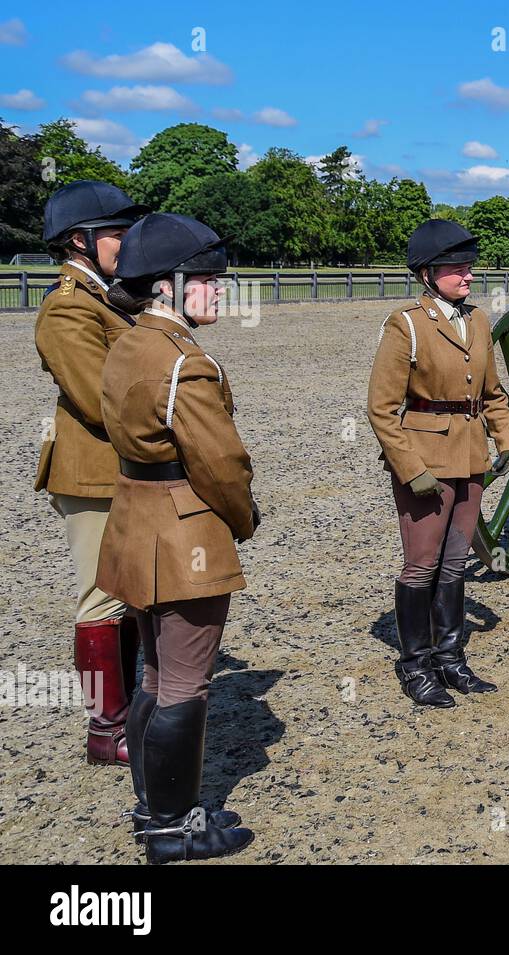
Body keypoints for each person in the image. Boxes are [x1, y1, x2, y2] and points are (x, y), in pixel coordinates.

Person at [98, 212, 256, 862]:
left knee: (156, 677)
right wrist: (243, 516)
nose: (219, 290)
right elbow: (221, 464)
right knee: (187, 683)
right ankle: (175, 825)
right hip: (184, 532)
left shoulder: (129, 344)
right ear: (168, 286)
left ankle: (152, 810)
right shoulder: (184, 362)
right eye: (208, 280)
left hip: (136, 522)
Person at [368, 220, 509, 708]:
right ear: (429, 273)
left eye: (469, 266)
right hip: (426, 461)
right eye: (457, 267)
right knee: (422, 566)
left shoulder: (476, 320)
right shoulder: (406, 324)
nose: (468, 274)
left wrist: (507, 440)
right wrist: (411, 468)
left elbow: (493, 393)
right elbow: (381, 408)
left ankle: (451, 657)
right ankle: (416, 664)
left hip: (470, 455)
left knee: (455, 562)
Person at [34, 180, 148, 765]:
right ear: (80, 241)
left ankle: (127, 712)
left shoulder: (112, 297)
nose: (128, 242)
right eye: (117, 233)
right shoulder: (69, 306)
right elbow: (97, 395)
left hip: (122, 468)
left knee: (127, 598)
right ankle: (108, 728)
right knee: (101, 602)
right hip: (92, 472)